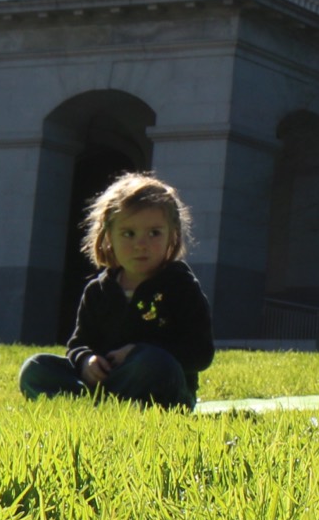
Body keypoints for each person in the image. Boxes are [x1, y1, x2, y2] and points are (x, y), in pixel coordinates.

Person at [19, 173, 214, 408]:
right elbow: (79, 343)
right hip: (106, 380)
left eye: (154, 233)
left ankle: (108, 402)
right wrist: (86, 361)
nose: (141, 244)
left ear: (172, 235)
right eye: (128, 234)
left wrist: (138, 351)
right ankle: (95, 402)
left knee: (154, 363)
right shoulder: (98, 291)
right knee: (36, 368)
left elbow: (201, 353)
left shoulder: (180, 286)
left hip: (161, 383)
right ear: (108, 237)